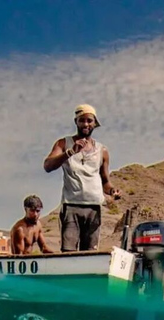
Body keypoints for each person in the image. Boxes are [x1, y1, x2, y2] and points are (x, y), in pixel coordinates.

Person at [43, 104, 121, 252]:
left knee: (90, 254)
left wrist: (112, 191)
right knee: (69, 253)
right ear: (76, 122)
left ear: (94, 123)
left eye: (89, 121)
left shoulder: (102, 150)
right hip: (71, 205)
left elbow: (105, 181)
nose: (86, 124)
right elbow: (47, 166)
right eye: (82, 120)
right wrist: (70, 152)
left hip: (94, 207)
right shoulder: (64, 143)